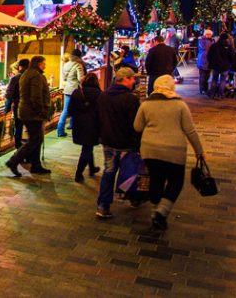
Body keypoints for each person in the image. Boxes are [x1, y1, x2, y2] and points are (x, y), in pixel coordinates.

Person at [133, 75, 205, 230]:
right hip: (174, 150)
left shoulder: (146, 104)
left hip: (150, 149)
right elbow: (190, 131)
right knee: (175, 181)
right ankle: (161, 211)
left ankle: (156, 210)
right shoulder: (180, 105)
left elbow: (137, 127)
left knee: (156, 179)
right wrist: (199, 151)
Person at [95, 67, 142, 219]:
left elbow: (99, 119)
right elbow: (135, 125)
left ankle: (103, 206)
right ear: (125, 79)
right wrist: (137, 143)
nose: (134, 81)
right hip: (125, 143)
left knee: (108, 172)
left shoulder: (103, 96)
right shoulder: (131, 99)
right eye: (132, 78)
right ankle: (134, 198)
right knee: (130, 172)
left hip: (108, 141)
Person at [6, 56, 51, 177]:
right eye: (43, 63)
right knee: (35, 139)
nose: (45, 66)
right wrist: (41, 111)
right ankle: (13, 161)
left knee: (37, 138)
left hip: (26, 111)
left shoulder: (27, 73)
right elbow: (35, 96)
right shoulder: (35, 75)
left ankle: (36, 165)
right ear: (38, 64)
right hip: (32, 113)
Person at [68, 72, 102, 183]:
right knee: (87, 148)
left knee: (87, 147)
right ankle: (79, 173)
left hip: (79, 125)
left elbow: (70, 111)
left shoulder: (76, 93)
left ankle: (92, 168)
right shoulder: (99, 94)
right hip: (93, 126)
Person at [57, 49, 85, 137]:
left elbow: (64, 78)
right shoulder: (78, 65)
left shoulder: (66, 65)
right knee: (77, 109)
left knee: (65, 110)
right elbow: (81, 79)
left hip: (67, 89)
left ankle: (60, 130)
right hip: (75, 90)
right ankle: (75, 128)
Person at [5, 60, 28, 150]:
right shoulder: (32, 77)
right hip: (30, 107)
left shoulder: (15, 79)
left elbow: (9, 94)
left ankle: (18, 146)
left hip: (19, 105)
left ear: (20, 67)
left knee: (18, 127)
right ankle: (27, 147)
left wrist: (7, 107)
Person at [206, 33, 235, 100]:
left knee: (214, 79)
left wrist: (211, 63)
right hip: (225, 66)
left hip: (215, 66)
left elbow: (209, 55)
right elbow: (232, 57)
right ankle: (220, 94)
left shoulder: (214, 46)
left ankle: (212, 94)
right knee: (223, 80)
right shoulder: (229, 47)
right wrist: (231, 64)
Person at [195, 29, 214, 95]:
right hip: (203, 60)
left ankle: (205, 89)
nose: (209, 36)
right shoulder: (201, 40)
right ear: (205, 34)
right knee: (202, 76)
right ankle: (202, 89)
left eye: (210, 34)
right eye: (207, 34)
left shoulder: (212, 40)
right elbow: (204, 48)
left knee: (207, 76)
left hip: (209, 61)